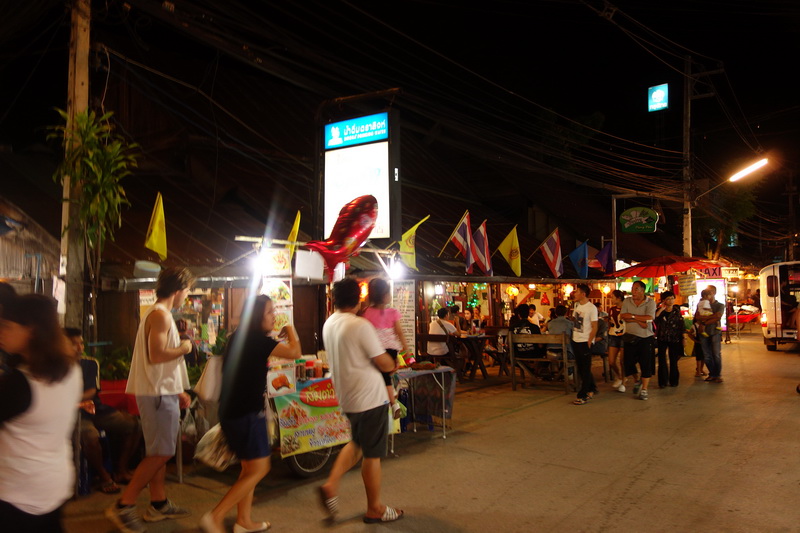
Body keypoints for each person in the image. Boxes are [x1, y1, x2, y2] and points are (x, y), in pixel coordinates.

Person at [199, 295, 300, 533]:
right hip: (247, 414)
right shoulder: (258, 340)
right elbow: (295, 352)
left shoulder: (238, 338)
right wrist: (290, 329)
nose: (273, 316)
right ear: (257, 317)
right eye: (269, 312)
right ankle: (215, 516)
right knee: (260, 469)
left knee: (249, 469)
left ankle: (243, 521)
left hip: (231, 411)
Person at [107, 267, 195, 533]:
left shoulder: (160, 314)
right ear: (178, 290)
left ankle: (157, 503)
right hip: (157, 395)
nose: (187, 296)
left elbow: (155, 362)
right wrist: (185, 346)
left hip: (161, 391)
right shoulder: (159, 315)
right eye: (188, 290)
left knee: (158, 450)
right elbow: (157, 355)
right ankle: (124, 505)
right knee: (162, 451)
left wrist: (177, 388)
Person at [318, 278, 403, 524]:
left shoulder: (329, 324)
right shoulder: (359, 325)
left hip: (348, 397)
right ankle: (374, 508)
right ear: (358, 299)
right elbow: (383, 362)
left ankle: (331, 485)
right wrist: (393, 362)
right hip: (370, 396)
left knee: (356, 443)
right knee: (372, 454)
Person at [0, 294, 82, 532]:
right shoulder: (71, 370)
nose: (1, 332)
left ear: (31, 330)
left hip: (18, 491)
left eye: (6, 326)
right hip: (54, 482)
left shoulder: (21, 384)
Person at [66, 328, 141, 494]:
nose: (80, 348)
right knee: (90, 437)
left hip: (95, 409)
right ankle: (104, 476)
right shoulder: (55, 366)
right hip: (71, 414)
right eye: (74, 344)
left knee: (133, 424)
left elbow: (92, 391)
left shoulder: (90, 363)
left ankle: (121, 470)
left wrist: (69, 400)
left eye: (81, 343)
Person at [361, 278, 412, 419]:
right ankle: (393, 400)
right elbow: (399, 333)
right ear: (385, 296)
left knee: (381, 376)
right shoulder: (393, 312)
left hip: (375, 351)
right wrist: (407, 351)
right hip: (391, 350)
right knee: (385, 376)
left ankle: (392, 401)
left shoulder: (366, 312)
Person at [620, 280, 656, 401]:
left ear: (642, 290)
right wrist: (639, 321)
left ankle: (644, 389)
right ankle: (637, 380)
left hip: (645, 338)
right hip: (629, 336)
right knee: (628, 363)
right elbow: (623, 316)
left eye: (636, 289)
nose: (633, 291)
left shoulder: (650, 302)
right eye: (632, 288)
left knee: (645, 364)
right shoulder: (627, 301)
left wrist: (633, 317)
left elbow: (650, 318)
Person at [571, 284, 599, 405]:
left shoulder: (591, 308)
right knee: (581, 367)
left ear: (583, 294)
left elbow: (595, 326)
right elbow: (575, 321)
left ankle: (583, 394)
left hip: (585, 341)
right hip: (576, 339)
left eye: (577, 292)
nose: (574, 294)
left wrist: (589, 340)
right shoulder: (577, 305)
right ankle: (592, 388)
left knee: (585, 367)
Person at [654, 291, 685, 387]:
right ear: (663, 300)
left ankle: (674, 381)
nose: (671, 301)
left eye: (672, 298)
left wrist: (684, 338)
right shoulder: (660, 311)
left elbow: (681, 325)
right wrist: (661, 309)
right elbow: (654, 320)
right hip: (662, 338)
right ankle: (663, 382)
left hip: (674, 338)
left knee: (673, 360)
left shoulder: (676, 311)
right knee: (662, 360)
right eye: (668, 299)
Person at [697, 288, 725, 383]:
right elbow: (697, 316)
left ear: (714, 293)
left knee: (716, 354)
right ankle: (712, 374)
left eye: (709, 294)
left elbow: (718, 316)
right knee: (706, 355)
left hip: (714, 332)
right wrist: (711, 316)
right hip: (703, 333)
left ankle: (717, 375)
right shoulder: (701, 303)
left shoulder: (720, 305)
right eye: (705, 294)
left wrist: (704, 321)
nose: (707, 296)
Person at [607, 290, 627, 392]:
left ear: (618, 298)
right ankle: (619, 376)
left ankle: (623, 381)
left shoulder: (626, 308)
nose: (612, 299)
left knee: (622, 360)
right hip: (613, 335)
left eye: (613, 297)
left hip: (624, 335)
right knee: (611, 361)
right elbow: (609, 321)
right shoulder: (611, 309)